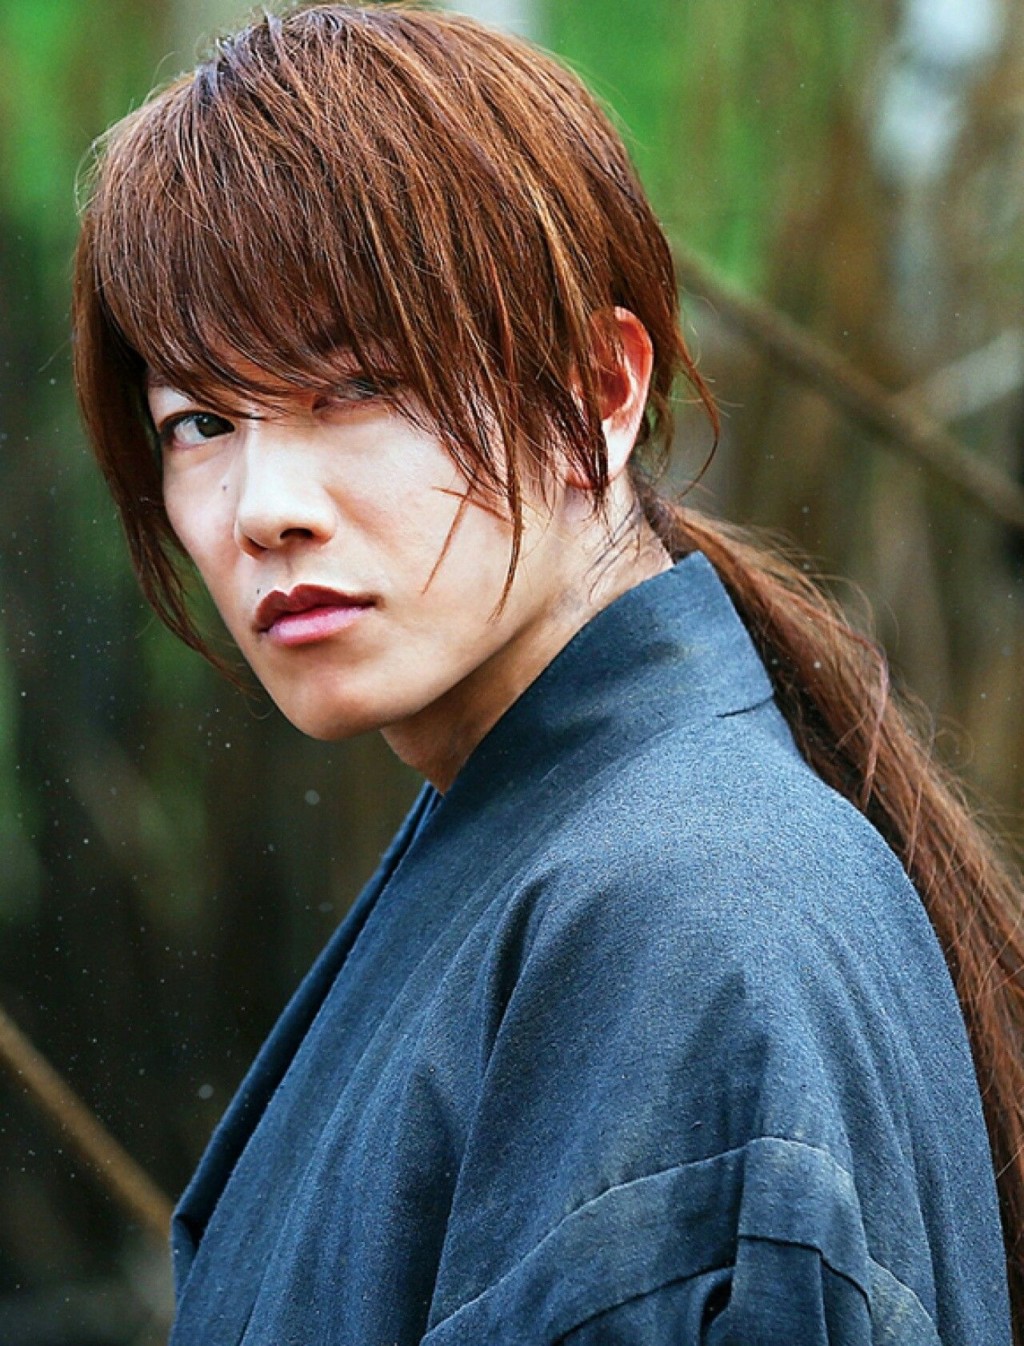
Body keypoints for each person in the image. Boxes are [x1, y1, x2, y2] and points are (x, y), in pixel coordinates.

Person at [71, 4, 1023, 1343]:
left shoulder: (682, 918)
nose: (264, 506)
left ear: (597, 395)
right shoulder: (577, 853)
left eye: (359, 388)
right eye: (202, 421)